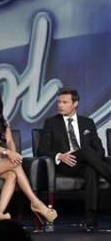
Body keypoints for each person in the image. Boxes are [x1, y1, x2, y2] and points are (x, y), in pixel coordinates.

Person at [0, 86, 57, 224]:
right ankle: (36, 203)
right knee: (15, 165)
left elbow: (9, 140)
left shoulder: (2, 120)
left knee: (12, 175)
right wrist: (8, 153)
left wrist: (13, 153)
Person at [38, 86, 111, 232]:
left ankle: (90, 219)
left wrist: (89, 157)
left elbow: (100, 149)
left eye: (65, 102)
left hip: (85, 164)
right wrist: (60, 155)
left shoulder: (87, 122)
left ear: (75, 103)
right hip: (65, 165)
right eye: (59, 102)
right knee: (86, 151)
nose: (60, 105)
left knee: (91, 168)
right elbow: (42, 149)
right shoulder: (51, 123)